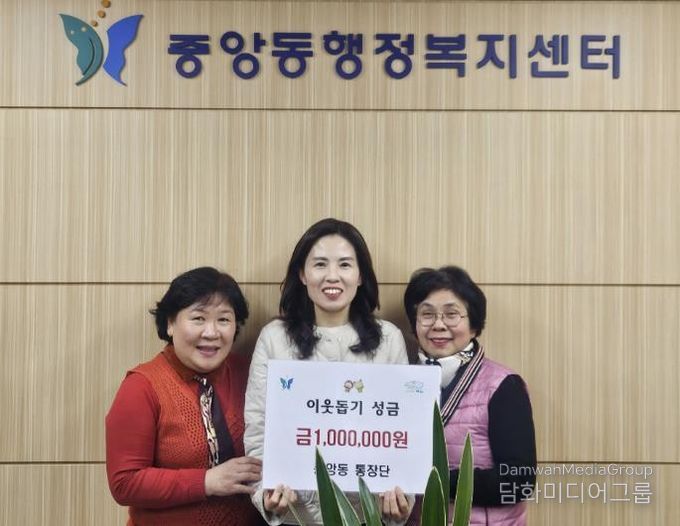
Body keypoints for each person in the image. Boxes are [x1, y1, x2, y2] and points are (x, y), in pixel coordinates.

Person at [244, 218, 412, 525]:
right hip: (296, 516)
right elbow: (258, 426)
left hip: (365, 516)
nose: (332, 276)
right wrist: (265, 494)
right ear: (302, 274)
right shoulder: (274, 338)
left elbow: (404, 427)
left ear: (360, 276)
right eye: (320, 264)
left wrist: (401, 499)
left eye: (345, 264)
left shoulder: (388, 338)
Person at [106, 267, 265, 525]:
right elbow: (124, 483)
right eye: (198, 318)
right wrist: (206, 481)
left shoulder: (251, 374)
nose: (211, 332)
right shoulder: (142, 386)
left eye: (223, 320)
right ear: (170, 323)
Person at [403, 266, 536, 526]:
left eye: (452, 314)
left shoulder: (503, 385)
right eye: (427, 314)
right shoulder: (401, 383)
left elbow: (519, 482)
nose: (438, 325)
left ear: (473, 325)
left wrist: (433, 481)